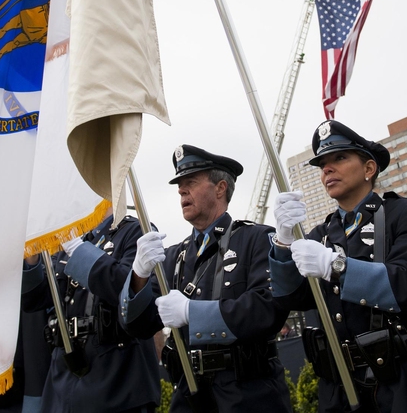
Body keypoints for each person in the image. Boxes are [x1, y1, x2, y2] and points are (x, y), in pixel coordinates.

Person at [269, 121, 407, 413]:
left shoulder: (405, 214)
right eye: (322, 164)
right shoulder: (320, 234)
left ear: (369, 169)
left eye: (340, 158)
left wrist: (336, 267)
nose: (327, 170)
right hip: (342, 386)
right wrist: (283, 243)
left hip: (403, 379)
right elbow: (290, 297)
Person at [120, 145, 293, 412]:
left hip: (249, 394)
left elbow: (268, 309)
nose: (181, 190)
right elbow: (137, 325)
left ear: (220, 188)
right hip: (191, 395)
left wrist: (192, 312)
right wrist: (139, 276)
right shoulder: (174, 257)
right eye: (179, 185)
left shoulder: (255, 239)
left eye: (190, 182)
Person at [21, 210, 161, 412]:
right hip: (65, 384)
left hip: (116, 384)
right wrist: (31, 257)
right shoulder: (69, 239)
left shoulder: (134, 231)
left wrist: (78, 250)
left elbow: (127, 291)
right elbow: (34, 301)